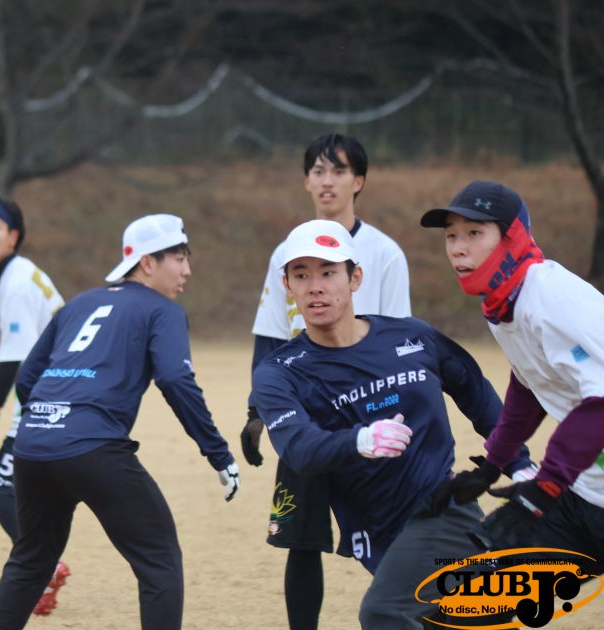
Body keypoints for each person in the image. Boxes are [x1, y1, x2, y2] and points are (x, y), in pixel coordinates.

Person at [251, 219, 534, 629]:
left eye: (328, 273)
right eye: (301, 275)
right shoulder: (280, 372)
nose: (315, 287)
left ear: (355, 278)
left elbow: (476, 394)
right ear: (287, 286)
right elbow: (298, 447)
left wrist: (519, 463)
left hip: (440, 511)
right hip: (375, 528)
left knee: (384, 613)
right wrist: (359, 440)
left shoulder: (413, 337)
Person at [0, 214, 240, 630]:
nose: (187, 270)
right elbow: (175, 379)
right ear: (147, 263)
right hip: (94, 448)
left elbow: (28, 378)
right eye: (179, 258)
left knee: (31, 560)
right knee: (159, 560)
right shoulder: (163, 310)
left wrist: (52, 422)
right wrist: (218, 452)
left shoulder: (79, 304)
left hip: (33, 446)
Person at [241, 133, 411, 629]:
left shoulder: (384, 253)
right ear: (306, 181)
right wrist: (256, 413)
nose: (327, 181)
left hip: (370, 410)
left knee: (394, 534)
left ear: (359, 181)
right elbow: (272, 334)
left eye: (339, 171)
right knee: (302, 539)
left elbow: (402, 337)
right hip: (305, 414)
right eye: (318, 171)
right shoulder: (285, 253)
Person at [419, 180, 604, 576]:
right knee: (477, 592)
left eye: (474, 233)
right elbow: (530, 384)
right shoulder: (504, 305)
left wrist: (545, 486)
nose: (458, 248)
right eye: (451, 236)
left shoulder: (552, 299)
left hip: (570, 488)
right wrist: (491, 466)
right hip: (587, 494)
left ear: (513, 238)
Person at [0, 197, 69, 616]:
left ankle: (44, 566)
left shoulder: (16, 282)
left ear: (14, 236)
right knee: (29, 489)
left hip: (48, 396)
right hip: (57, 389)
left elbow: (16, 360)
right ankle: (43, 566)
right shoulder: (19, 274)